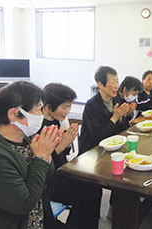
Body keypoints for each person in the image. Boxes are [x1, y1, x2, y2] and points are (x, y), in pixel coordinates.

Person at [0, 81, 62, 229]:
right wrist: (41, 157)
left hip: (41, 218)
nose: (41, 115)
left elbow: (48, 178)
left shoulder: (26, 136)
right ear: (14, 114)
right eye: (38, 109)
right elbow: (24, 203)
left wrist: (47, 153)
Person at [41, 83, 101, 229]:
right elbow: (42, 165)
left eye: (70, 106)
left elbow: (61, 157)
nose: (68, 111)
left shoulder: (56, 121)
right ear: (48, 107)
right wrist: (61, 146)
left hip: (60, 171)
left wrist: (65, 145)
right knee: (85, 195)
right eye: (65, 107)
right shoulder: (37, 126)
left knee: (94, 188)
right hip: (47, 182)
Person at [79, 66, 131, 155]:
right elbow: (98, 137)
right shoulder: (91, 106)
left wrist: (122, 117)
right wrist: (115, 117)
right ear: (100, 85)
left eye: (117, 82)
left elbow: (123, 130)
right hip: (92, 153)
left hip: (112, 148)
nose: (117, 86)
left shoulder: (116, 100)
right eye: (113, 82)